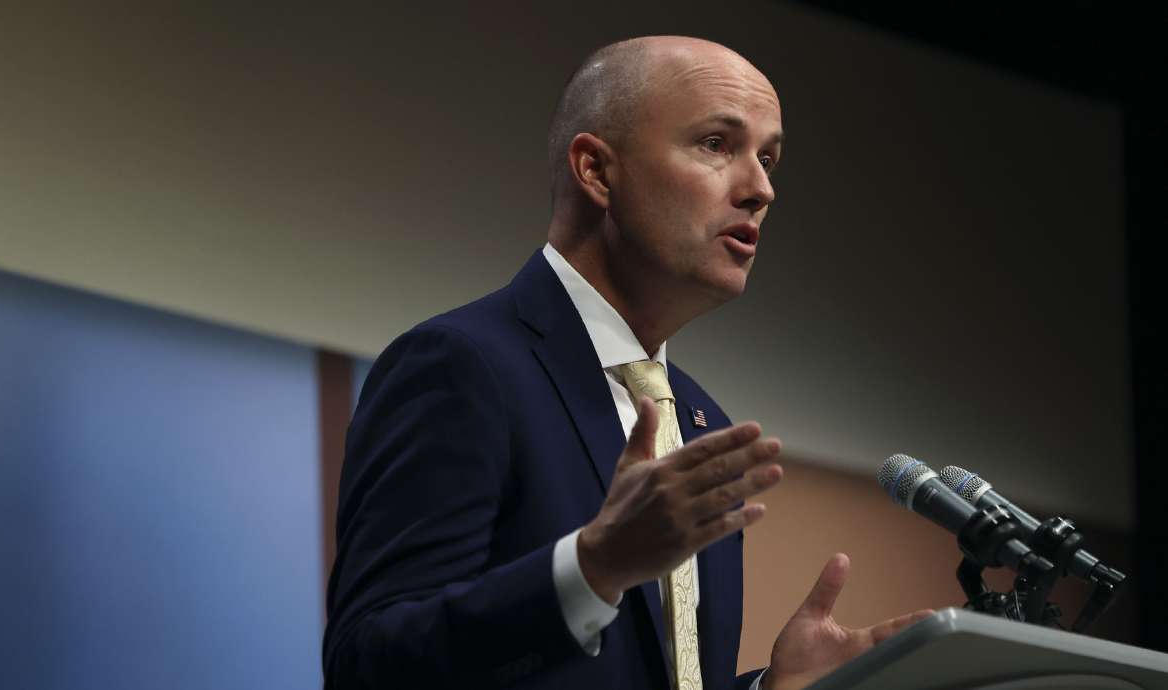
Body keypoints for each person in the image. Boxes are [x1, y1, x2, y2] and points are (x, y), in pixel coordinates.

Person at [322, 35, 930, 690]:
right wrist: (592, 569)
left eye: (768, 158)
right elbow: (367, 664)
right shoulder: (463, 366)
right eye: (717, 144)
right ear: (596, 171)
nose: (761, 189)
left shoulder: (701, 421)